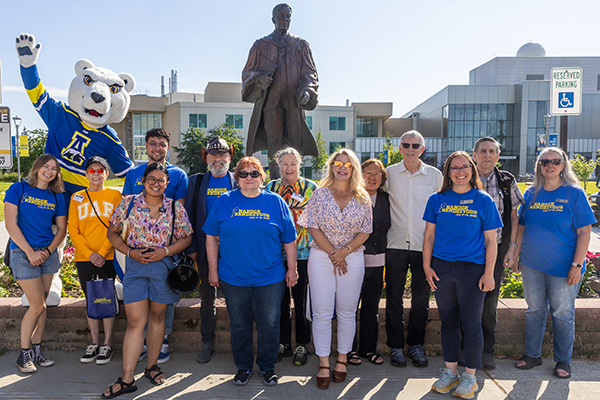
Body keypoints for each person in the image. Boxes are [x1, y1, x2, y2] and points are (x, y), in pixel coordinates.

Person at [204, 156, 298, 386]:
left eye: (254, 173)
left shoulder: (275, 202)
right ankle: (244, 367)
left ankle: (267, 367)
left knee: (269, 323)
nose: (248, 178)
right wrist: (213, 270)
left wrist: (292, 269)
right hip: (234, 278)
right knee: (239, 324)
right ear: (237, 178)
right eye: (243, 174)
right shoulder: (224, 201)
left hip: (270, 277)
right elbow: (211, 237)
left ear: (261, 177)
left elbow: (289, 239)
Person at [102, 163, 192, 399]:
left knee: (157, 316)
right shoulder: (129, 203)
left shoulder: (175, 208)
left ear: (167, 183)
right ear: (143, 180)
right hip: (136, 266)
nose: (156, 184)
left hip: (163, 266)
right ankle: (127, 379)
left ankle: (152, 366)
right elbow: (112, 232)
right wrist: (128, 251)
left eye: (161, 180)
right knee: (135, 322)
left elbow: (187, 237)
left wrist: (166, 251)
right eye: (151, 179)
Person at [422, 151, 502, 398]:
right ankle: (450, 373)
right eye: (454, 168)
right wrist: (427, 267)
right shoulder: (437, 200)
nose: (459, 172)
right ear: (447, 172)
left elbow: (491, 241)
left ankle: (470, 377)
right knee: (448, 323)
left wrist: (489, 273)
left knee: (472, 324)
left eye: (464, 167)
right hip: (443, 268)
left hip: (472, 270)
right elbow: (429, 237)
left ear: (472, 169)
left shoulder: (483, 199)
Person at [514, 147, 595, 380]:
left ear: (563, 165)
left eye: (555, 162)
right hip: (532, 265)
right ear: (539, 165)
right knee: (535, 310)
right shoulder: (530, 193)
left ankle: (563, 360)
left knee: (562, 313)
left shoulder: (574, 193)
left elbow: (584, 233)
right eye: (544, 162)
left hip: (564, 267)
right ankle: (532, 354)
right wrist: (516, 254)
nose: (549, 165)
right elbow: (521, 226)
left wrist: (577, 266)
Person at [298, 148, 372, 389]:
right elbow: (312, 226)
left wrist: (344, 252)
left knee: (347, 311)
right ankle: (323, 363)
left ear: (354, 169)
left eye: (348, 164)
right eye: (337, 163)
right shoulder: (319, 195)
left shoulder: (363, 197)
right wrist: (334, 253)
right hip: (321, 257)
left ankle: (342, 359)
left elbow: (366, 230)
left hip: (352, 257)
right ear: (331, 167)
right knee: (321, 312)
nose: (342, 167)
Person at [123, 127, 188, 365]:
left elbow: (177, 210)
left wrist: (168, 249)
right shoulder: (133, 174)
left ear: (167, 147)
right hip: (138, 248)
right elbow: (126, 210)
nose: (157, 148)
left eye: (162, 144)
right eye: (153, 143)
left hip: (166, 248)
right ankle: (141, 342)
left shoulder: (179, 175)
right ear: (146, 146)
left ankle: (163, 340)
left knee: (163, 297)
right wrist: (131, 249)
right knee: (139, 298)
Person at [383, 130, 442, 368]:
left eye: (415, 145)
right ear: (399, 148)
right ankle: (396, 347)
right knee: (394, 299)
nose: (410, 149)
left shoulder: (435, 176)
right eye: (405, 144)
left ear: (422, 149)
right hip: (394, 243)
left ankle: (416, 345)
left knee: (421, 300)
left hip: (424, 246)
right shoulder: (388, 175)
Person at [4, 154, 68, 373]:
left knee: (43, 305)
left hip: (47, 254)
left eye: (54, 169)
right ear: (38, 167)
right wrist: (30, 252)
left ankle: (37, 350)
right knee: (37, 305)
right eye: (46, 166)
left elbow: (62, 229)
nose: (49, 171)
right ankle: (24, 354)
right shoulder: (18, 189)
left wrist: (48, 251)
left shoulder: (57, 196)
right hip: (23, 253)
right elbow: (11, 225)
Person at [242, 3, 319, 176]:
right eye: (281, 16)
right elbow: (248, 72)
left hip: (293, 102)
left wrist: (307, 90)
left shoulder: (300, 45)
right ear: (273, 19)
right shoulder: (261, 45)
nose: (285, 20)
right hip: (271, 102)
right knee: (274, 145)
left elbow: (310, 72)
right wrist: (259, 79)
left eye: (288, 17)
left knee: (294, 146)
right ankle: (276, 183)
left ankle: (294, 182)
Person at [471, 137, 525, 370]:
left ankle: (486, 352)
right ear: (474, 155)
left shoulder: (506, 181)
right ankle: (467, 350)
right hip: (468, 251)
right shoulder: (464, 176)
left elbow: (514, 217)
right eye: (482, 151)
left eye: (492, 151)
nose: (487, 155)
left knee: (489, 304)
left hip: (497, 248)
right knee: (466, 302)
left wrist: (513, 249)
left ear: (497, 156)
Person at [184, 136, 237, 363]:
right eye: (213, 154)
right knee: (207, 300)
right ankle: (207, 341)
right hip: (206, 252)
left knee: (237, 300)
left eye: (222, 154)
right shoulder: (195, 182)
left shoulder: (240, 181)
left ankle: (238, 343)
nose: (218, 159)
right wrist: (193, 248)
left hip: (235, 252)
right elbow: (188, 217)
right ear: (206, 156)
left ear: (230, 156)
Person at [265, 147, 318, 366]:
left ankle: (301, 345)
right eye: (284, 164)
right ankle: (283, 343)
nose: (289, 168)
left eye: (293, 164)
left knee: (301, 300)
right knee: (279, 301)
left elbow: (318, 219)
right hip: (276, 253)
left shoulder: (311, 188)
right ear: (279, 166)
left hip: (304, 252)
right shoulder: (270, 188)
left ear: (299, 165)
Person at [68, 156, 123, 365]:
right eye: (92, 170)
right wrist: (89, 253)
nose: (96, 174)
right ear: (86, 174)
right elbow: (73, 229)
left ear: (106, 174)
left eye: (101, 171)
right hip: (85, 257)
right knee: (90, 298)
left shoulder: (114, 196)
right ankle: (94, 342)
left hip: (108, 256)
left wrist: (101, 252)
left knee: (107, 297)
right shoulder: (77, 198)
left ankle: (107, 344)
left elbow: (117, 226)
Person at [348, 159, 390, 366]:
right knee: (350, 306)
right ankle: (348, 349)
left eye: (377, 174)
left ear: (382, 179)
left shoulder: (387, 199)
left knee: (371, 307)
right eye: (367, 173)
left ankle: (368, 349)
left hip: (377, 259)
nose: (372, 177)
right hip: (353, 258)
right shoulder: (350, 197)